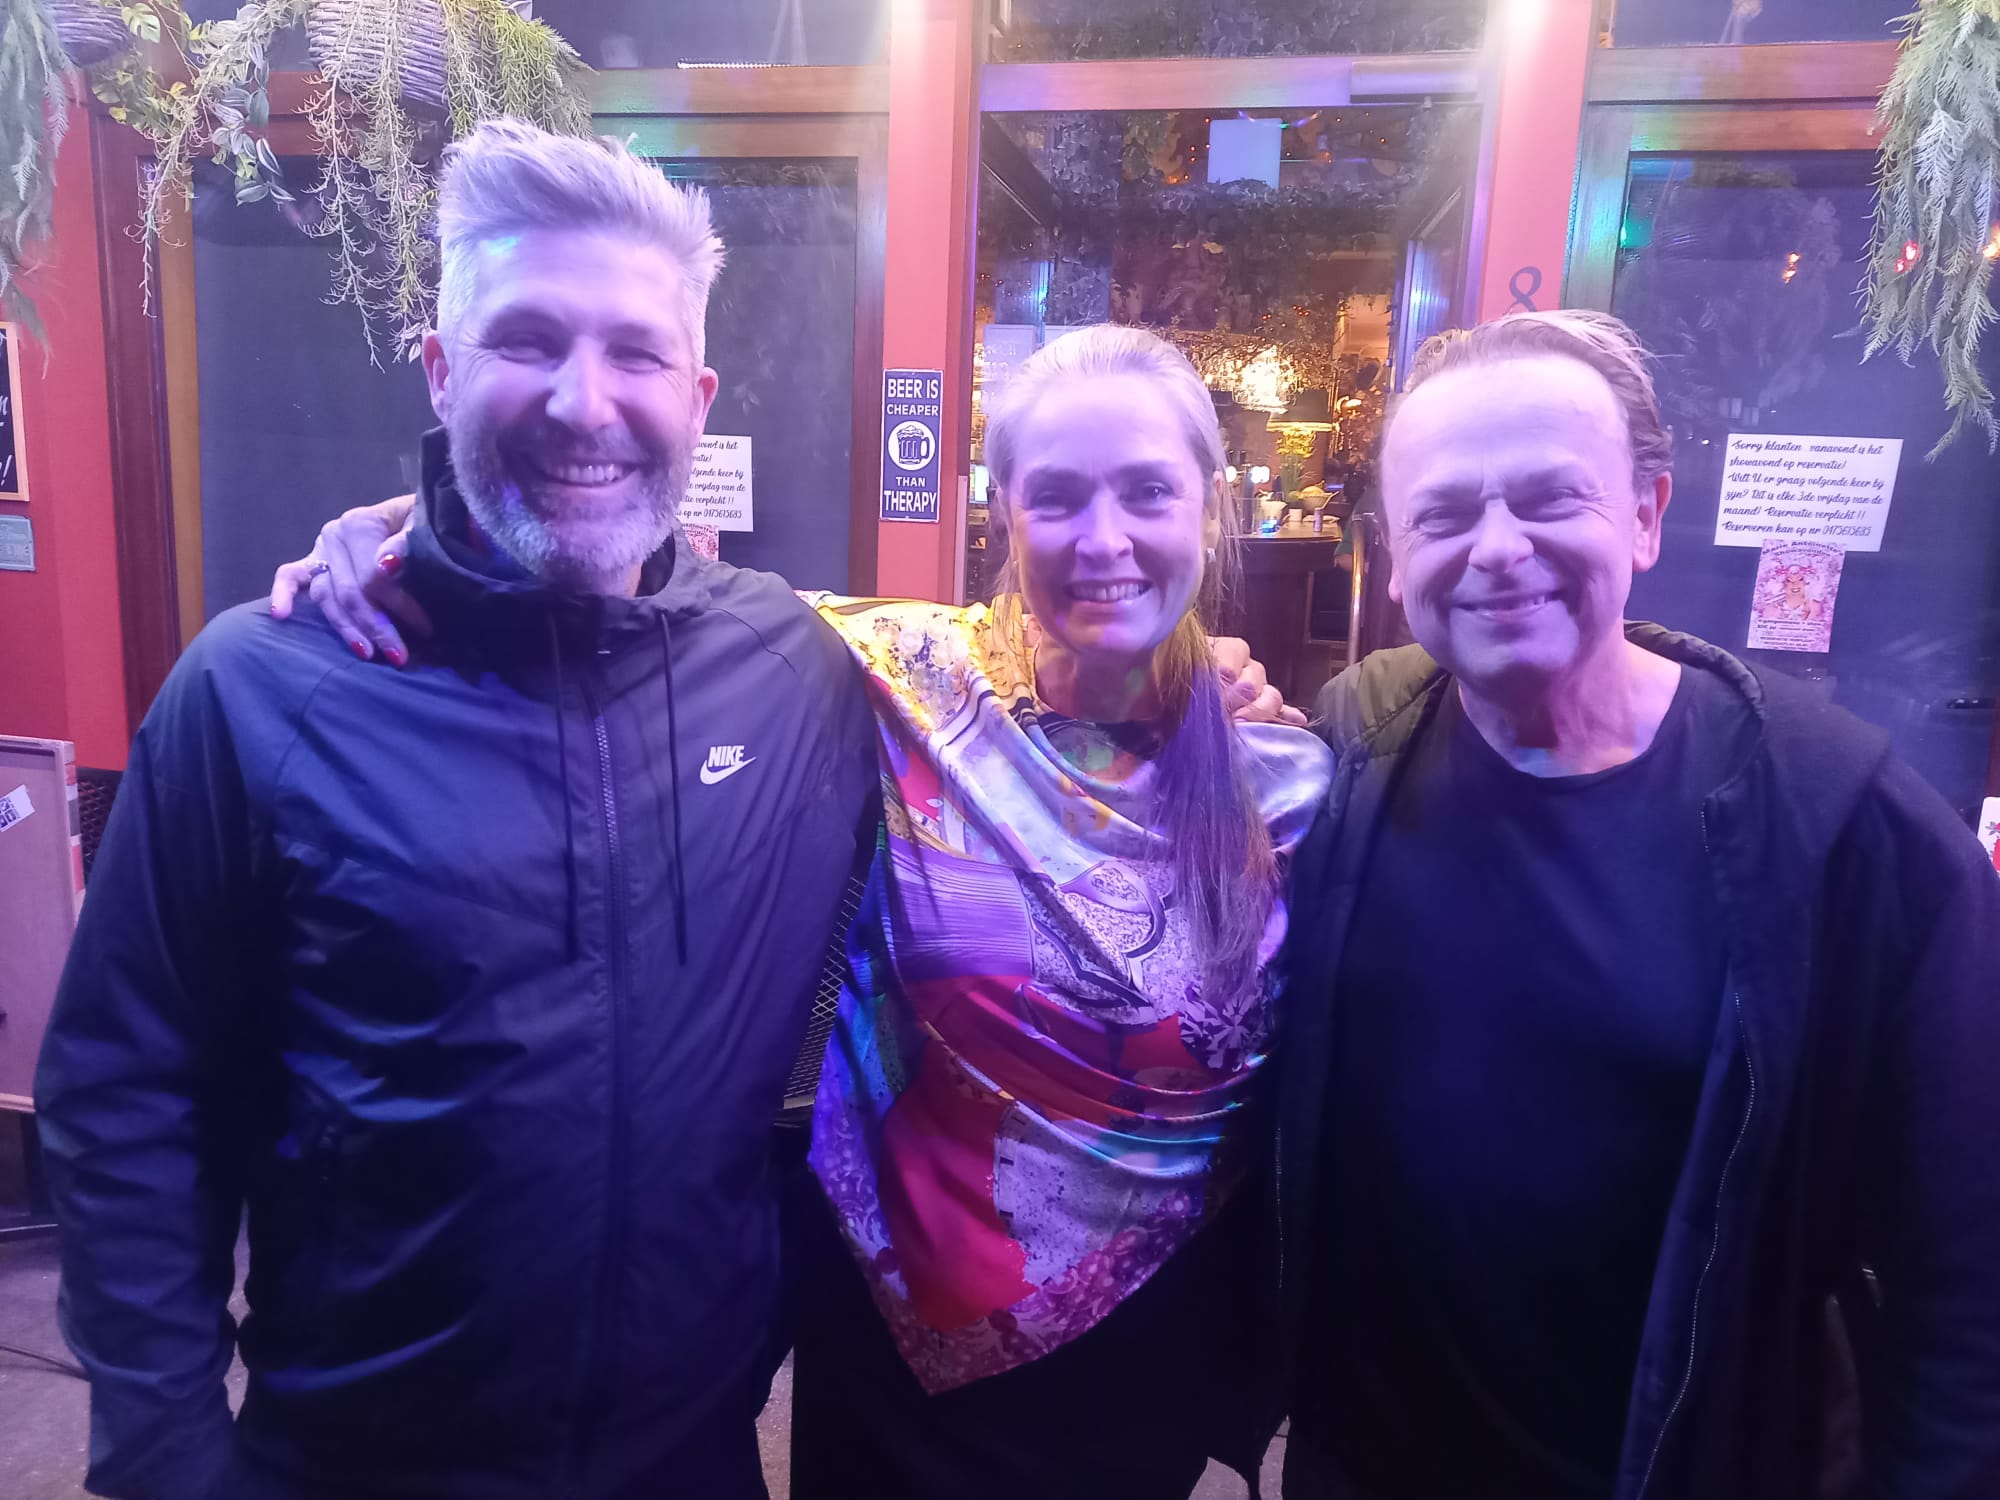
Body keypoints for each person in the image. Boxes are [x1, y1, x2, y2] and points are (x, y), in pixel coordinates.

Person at [271, 326, 1331, 1498]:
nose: (1103, 539)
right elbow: (621, 573)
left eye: (1146, 492)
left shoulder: (1291, 785)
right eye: (1057, 496)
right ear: (1000, 516)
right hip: (886, 1353)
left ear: (1210, 509)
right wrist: (409, 528)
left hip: (1140, 1354)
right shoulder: (900, 674)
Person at [37, 120, 881, 1500]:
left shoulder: (800, 673)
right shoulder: (259, 691)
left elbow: (1046, 690)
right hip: (352, 1466)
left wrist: (1212, 682)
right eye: (526, 341)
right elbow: (130, 1094)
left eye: (635, 354)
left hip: (691, 1465)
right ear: (441, 370)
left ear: (698, 395)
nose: (583, 403)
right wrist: (168, 1459)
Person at [1278, 310, 2000, 1500]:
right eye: (1442, 516)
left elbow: (1962, 1271)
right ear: (1392, 561)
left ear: (1645, 515)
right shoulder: (1343, 767)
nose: (1495, 548)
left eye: (1549, 498)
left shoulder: (1841, 826)